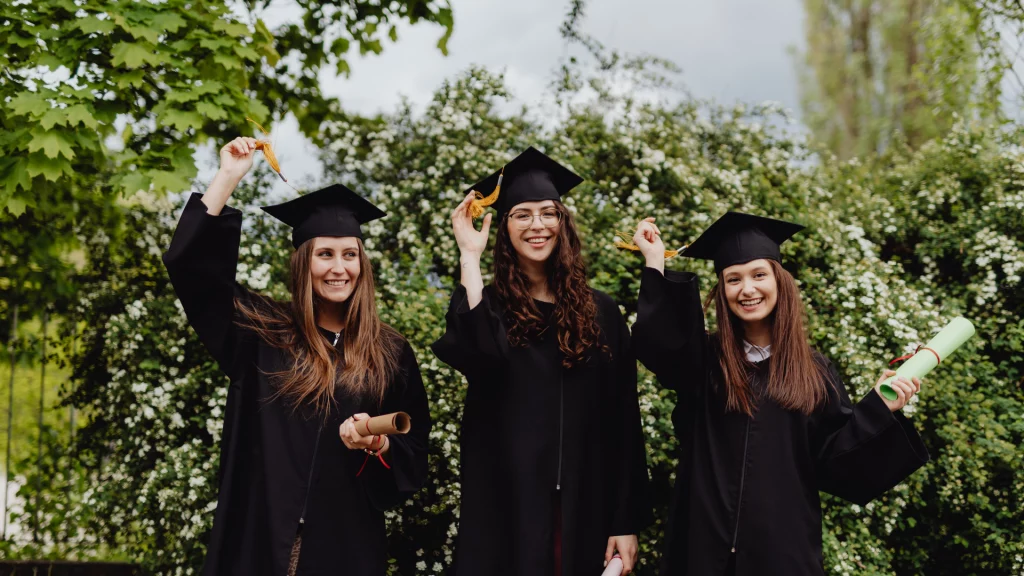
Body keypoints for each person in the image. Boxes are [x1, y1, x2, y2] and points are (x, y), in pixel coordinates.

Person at [163, 136, 431, 576]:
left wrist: (378, 442)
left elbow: (415, 445)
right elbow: (192, 272)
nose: (338, 268)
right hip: (261, 540)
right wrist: (228, 176)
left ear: (362, 265)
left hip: (345, 544)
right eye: (324, 254)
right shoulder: (261, 332)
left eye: (350, 255)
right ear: (304, 261)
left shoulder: (390, 351)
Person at [628, 211, 929, 576]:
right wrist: (655, 260)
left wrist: (881, 408)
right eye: (733, 279)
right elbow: (661, 346)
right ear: (722, 291)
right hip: (701, 550)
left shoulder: (815, 373)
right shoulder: (704, 361)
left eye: (759, 275)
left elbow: (837, 463)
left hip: (782, 555)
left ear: (779, 281)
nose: (747, 289)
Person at [431, 147, 653, 576]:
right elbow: (481, 358)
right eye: (522, 214)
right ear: (505, 228)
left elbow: (623, 419)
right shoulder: (488, 306)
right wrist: (469, 256)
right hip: (507, 508)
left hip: (586, 506)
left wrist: (625, 520)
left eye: (548, 213)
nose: (537, 225)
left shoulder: (601, 311)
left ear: (563, 223)